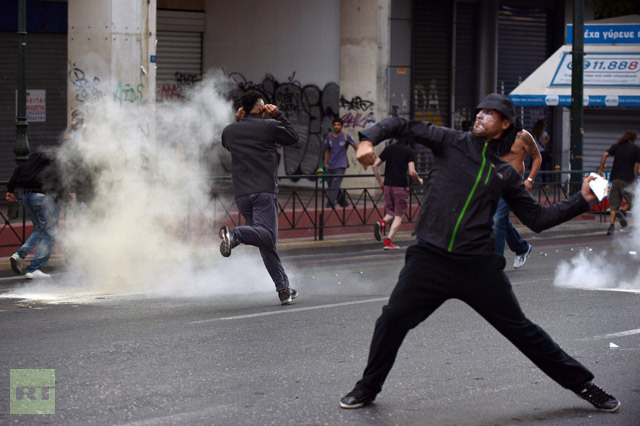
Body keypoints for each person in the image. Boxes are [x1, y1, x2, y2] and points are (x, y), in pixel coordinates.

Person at [339, 93, 620, 413]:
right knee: (391, 320)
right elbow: (402, 124)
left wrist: (582, 199)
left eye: (490, 113)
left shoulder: (505, 175)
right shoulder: (450, 141)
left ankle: (583, 384)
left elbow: (538, 219)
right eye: (480, 111)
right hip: (430, 258)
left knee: (522, 331)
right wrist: (367, 140)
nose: (480, 116)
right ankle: (367, 388)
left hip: (478, 268)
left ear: (505, 125)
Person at [219, 90, 300, 305]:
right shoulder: (269, 127)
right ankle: (234, 234)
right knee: (267, 237)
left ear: (242, 110)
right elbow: (294, 137)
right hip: (263, 191)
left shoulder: (229, 131)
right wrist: (278, 115)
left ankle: (283, 289)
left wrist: (238, 120)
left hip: (242, 194)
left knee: (265, 243)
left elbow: (228, 142)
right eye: (264, 107)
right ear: (261, 108)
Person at [6, 149, 64, 279]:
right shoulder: (50, 163)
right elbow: (59, 180)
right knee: (50, 234)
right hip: (43, 197)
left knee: (39, 229)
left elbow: (16, 173)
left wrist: (10, 190)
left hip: (28, 197)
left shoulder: (28, 165)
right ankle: (34, 268)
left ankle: (19, 255)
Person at [493, 126, 541, 268]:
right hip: (495, 181)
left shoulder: (523, 136)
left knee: (497, 219)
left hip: (513, 182)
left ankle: (496, 265)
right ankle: (522, 247)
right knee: (500, 218)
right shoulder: (494, 134)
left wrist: (530, 179)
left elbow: (537, 157)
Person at [371, 139, 423, 249]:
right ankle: (388, 242)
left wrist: (381, 184)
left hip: (388, 186)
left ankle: (381, 222)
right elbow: (412, 172)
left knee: (390, 212)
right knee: (399, 215)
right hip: (400, 187)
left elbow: (374, 166)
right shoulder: (409, 151)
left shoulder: (388, 148)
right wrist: (419, 181)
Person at [598, 130, 640, 236]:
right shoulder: (636, 149)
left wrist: (601, 170)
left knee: (613, 204)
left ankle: (611, 227)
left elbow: (604, 155)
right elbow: (636, 166)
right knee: (633, 201)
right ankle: (622, 211)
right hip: (627, 179)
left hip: (614, 178)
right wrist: (634, 180)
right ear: (633, 139)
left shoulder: (617, 146)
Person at [320, 117, 358, 208]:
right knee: (331, 184)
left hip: (341, 165)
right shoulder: (329, 137)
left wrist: (359, 157)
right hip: (331, 164)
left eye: (338, 125)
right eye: (335, 125)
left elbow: (356, 147)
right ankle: (343, 203)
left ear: (341, 126)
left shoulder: (346, 136)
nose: (337, 126)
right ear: (333, 126)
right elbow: (327, 150)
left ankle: (330, 203)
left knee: (335, 183)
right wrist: (326, 163)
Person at [530, 119, 552, 183]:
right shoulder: (544, 133)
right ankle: (544, 184)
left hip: (534, 152)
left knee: (533, 168)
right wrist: (548, 139)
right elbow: (543, 143)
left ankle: (530, 182)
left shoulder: (533, 132)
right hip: (541, 152)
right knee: (544, 168)